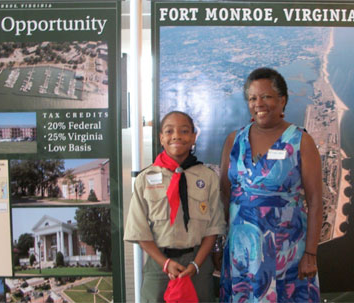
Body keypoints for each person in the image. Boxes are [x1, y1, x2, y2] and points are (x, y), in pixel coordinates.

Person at [219, 67, 323, 302]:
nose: (259, 103)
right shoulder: (233, 140)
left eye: (266, 96)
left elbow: (316, 201)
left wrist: (310, 252)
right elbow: (225, 195)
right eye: (253, 98)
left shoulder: (300, 141)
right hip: (241, 251)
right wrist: (221, 243)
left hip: (287, 249)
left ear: (282, 100)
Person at [124, 111, 226, 302]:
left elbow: (214, 227)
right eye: (169, 131)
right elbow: (139, 230)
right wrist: (165, 263)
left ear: (194, 137)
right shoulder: (144, 179)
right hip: (159, 264)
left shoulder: (207, 177)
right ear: (161, 138)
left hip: (198, 264)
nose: (177, 136)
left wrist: (196, 264)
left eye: (184, 131)